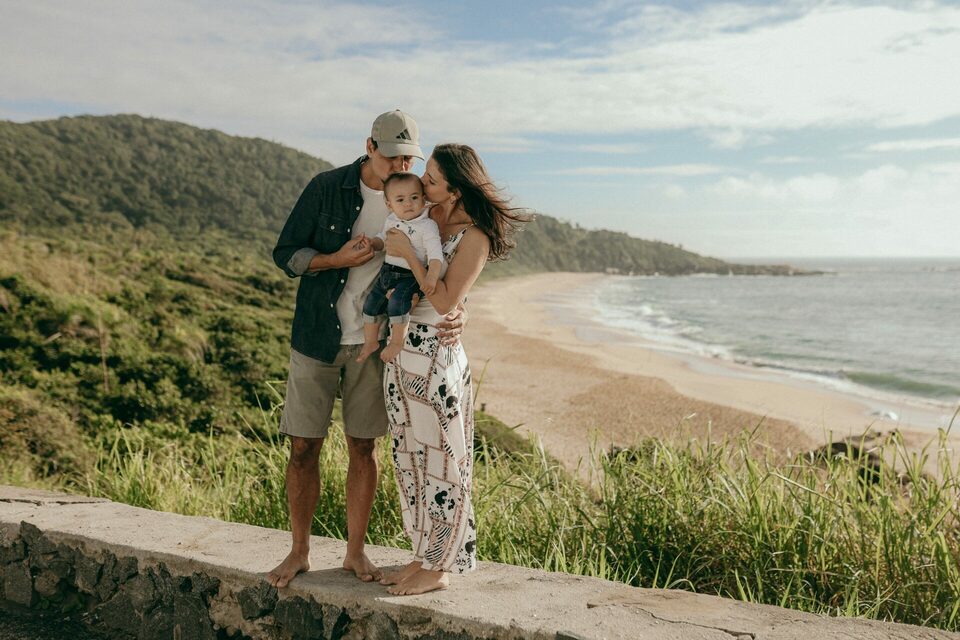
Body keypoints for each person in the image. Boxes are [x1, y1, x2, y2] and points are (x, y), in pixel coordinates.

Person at [267, 110, 464, 588]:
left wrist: (458, 311)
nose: (401, 167)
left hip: (374, 344)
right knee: (302, 449)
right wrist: (337, 258)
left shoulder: (421, 199)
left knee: (363, 447)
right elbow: (285, 253)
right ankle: (298, 552)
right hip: (317, 334)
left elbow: (450, 260)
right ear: (370, 146)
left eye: (409, 158)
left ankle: (355, 554)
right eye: (393, 156)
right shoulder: (326, 187)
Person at [377, 143, 528, 595]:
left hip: (435, 360)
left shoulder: (475, 237)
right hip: (401, 352)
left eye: (433, 180)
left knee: (444, 461)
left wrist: (407, 253)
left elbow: (445, 301)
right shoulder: (426, 218)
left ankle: (442, 566)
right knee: (411, 458)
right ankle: (424, 553)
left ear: (456, 191)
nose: (423, 183)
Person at [356, 172, 444, 365]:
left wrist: (431, 277)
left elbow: (436, 255)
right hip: (387, 271)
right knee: (371, 304)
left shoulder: (427, 226)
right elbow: (383, 238)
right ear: (389, 204)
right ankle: (370, 341)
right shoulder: (391, 219)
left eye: (414, 198)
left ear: (423, 198)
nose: (408, 204)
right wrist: (373, 244)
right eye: (400, 199)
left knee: (397, 304)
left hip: (409, 276)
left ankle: (397, 342)